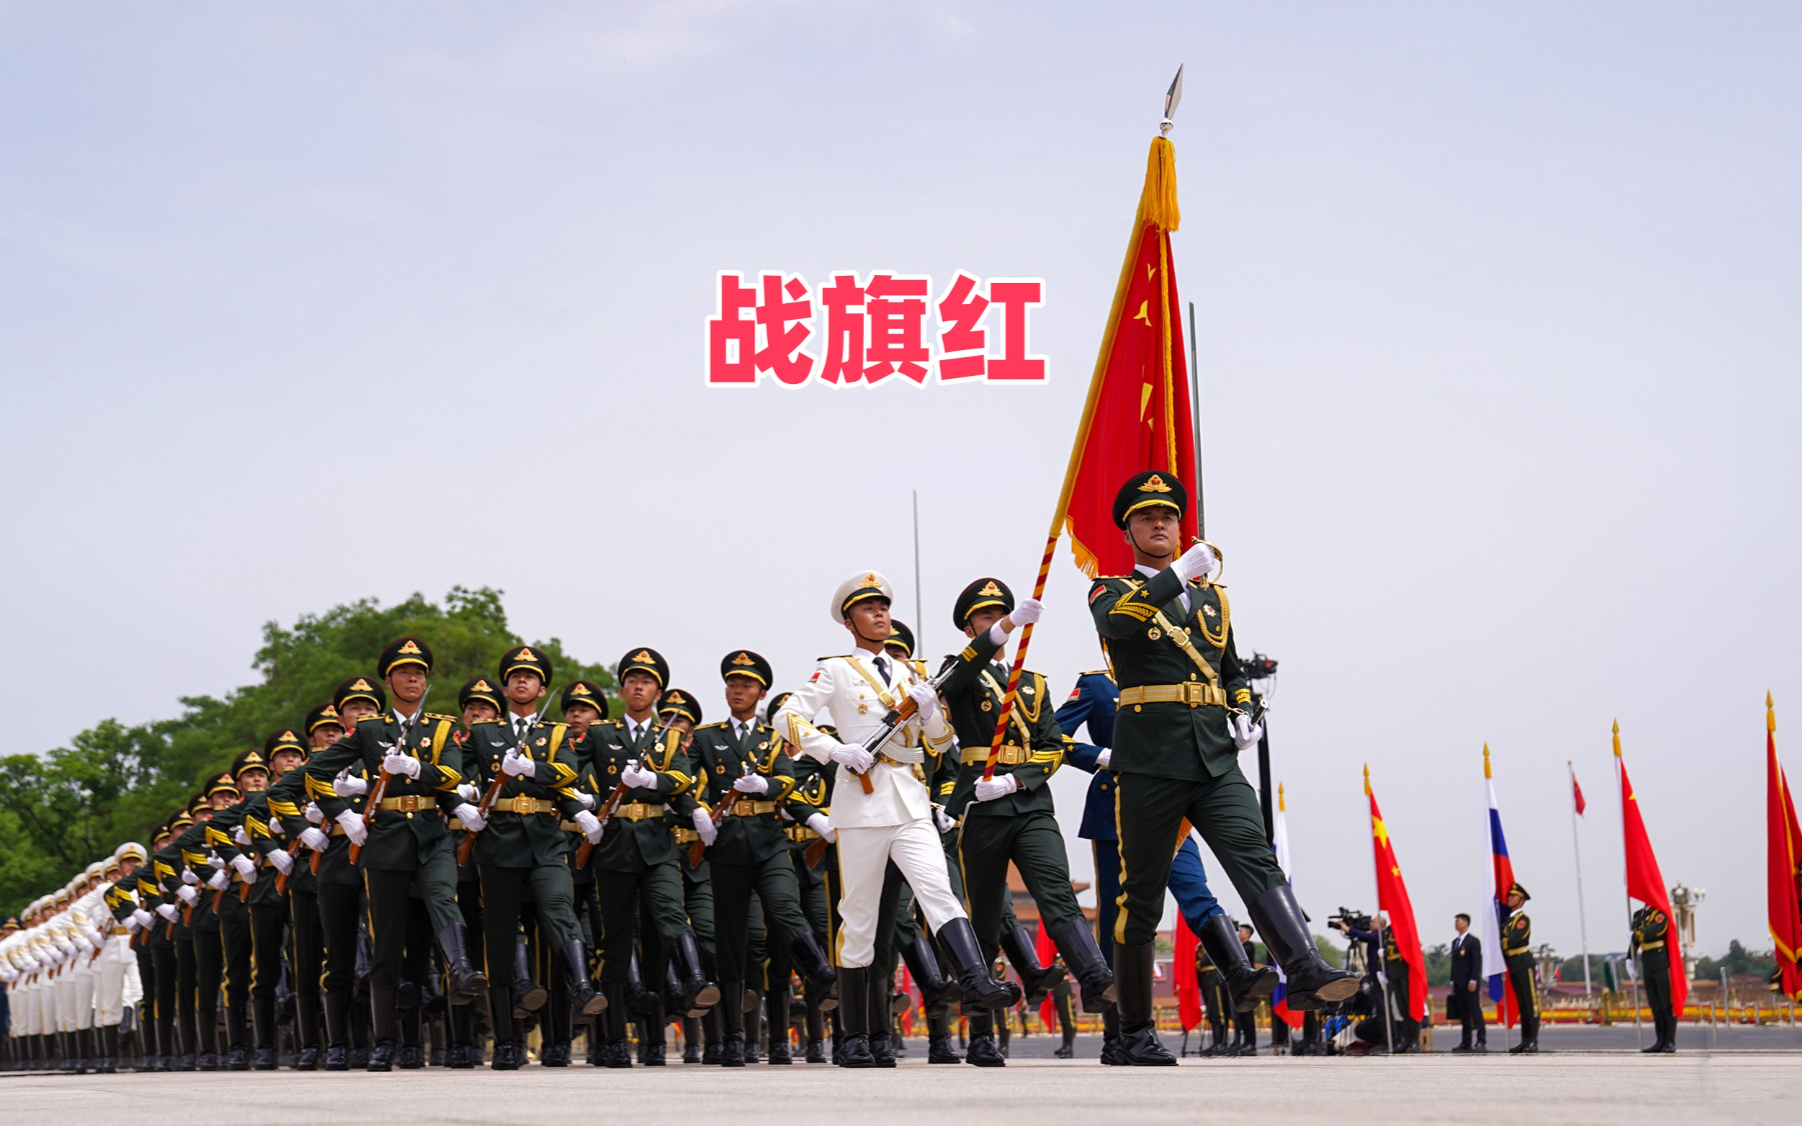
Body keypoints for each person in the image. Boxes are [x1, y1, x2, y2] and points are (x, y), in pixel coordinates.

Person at [1087, 472, 1355, 1064]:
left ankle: (1304, 969)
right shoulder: (1109, 590)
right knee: (1141, 897)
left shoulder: (1214, 599)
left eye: (1168, 516)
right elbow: (1119, 625)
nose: (1160, 524)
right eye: (1147, 518)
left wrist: (1243, 709)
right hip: (1150, 760)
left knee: (1254, 855)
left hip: (1213, 755)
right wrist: (1178, 574)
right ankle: (1132, 1032)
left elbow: (1230, 670)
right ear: (1128, 532)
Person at [771, 570, 1013, 1068]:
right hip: (860, 806)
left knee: (938, 891)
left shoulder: (911, 674)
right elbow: (786, 717)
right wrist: (834, 749)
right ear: (849, 622)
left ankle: (976, 981)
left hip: (909, 801)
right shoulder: (835, 670)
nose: (880, 614)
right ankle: (854, 1036)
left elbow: (940, 743)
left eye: (883, 606)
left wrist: (929, 710)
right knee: (859, 917)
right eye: (868, 608)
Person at [1059, 665, 1278, 1064]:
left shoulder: (1176, 675)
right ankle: (1119, 1034)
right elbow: (1053, 737)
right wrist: (1101, 756)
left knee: (1197, 891)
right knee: (1118, 918)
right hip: (1118, 807)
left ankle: (1239, 974)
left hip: (1174, 804)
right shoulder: (1095, 684)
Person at [937, 576, 1113, 1066]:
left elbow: (1053, 745)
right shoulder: (957, 668)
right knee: (984, 918)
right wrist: (1001, 631)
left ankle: (1095, 978)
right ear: (970, 627)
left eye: (1003, 615)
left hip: (1029, 800)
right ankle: (981, 1035)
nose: (998, 622)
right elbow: (954, 682)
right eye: (987, 617)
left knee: (1056, 890)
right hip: (980, 804)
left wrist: (1017, 780)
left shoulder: (1033, 683)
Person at [302, 636, 488, 1070]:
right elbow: (315, 773)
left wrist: (415, 767)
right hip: (385, 839)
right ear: (389, 681)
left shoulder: (441, 728)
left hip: (431, 834)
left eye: (419, 673)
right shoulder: (369, 730)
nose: (413, 679)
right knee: (387, 941)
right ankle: (386, 1040)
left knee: (442, 895)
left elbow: (451, 775)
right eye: (405, 673)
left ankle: (461, 968)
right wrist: (341, 813)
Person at [687, 650, 838, 1066]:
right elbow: (684, 777)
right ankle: (734, 1036)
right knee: (732, 940)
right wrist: (696, 811)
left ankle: (821, 972)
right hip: (727, 847)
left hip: (769, 843)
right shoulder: (706, 737)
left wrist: (767, 786)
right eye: (733, 684)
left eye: (747, 686)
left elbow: (787, 781)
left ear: (761, 693)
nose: (739, 691)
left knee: (785, 906)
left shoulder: (772, 738)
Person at [462, 645, 603, 1070]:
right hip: (498, 843)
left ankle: (582, 985)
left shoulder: (555, 734)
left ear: (542, 690)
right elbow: (458, 773)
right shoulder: (482, 734)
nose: (522, 681)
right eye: (515, 676)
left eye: (531, 677)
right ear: (506, 688)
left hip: (545, 840)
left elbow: (567, 772)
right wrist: (466, 795)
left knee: (559, 908)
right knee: (501, 940)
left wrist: (530, 769)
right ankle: (507, 1040)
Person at [576, 648, 717, 1067]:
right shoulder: (600, 733)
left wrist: (654, 780)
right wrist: (583, 803)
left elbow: (682, 777)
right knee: (617, 941)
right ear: (622, 689)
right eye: (633, 681)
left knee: (670, 918)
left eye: (648, 682)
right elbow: (569, 766)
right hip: (615, 844)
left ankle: (692, 983)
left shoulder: (670, 737)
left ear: (658, 693)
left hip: (657, 843)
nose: (639, 687)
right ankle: (614, 1039)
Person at [1632, 904, 1676, 1054]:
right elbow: (1635, 941)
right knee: (1655, 1004)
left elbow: (1651, 932)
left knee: (1667, 1004)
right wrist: (1629, 959)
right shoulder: (1639, 915)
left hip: (1661, 962)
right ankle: (1660, 1041)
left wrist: (1635, 935)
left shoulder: (1660, 914)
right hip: (1647, 961)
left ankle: (1670, 1041)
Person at [1500, 882, 1538, 1054]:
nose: (1509, 898)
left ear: (1521, 900)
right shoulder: (1508, 921)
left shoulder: (1523, 920)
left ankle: (1533, 1041)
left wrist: (1502, 943)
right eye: (1509, 895)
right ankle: (1525, 1040)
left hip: (1523, 962)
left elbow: (1513, 940)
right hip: (1513, 964)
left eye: (1513, 896)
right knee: (1522, 1004)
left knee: (1531, 1004)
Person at [1448, 912, 1486, 1052]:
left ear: (1466, 923)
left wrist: (1473, 979)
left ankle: (1481, 1041)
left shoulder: (1473, 941)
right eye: (1456, 921)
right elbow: (1454, 963)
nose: (1456, 923)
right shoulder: (1455, 942)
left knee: (1474, 1012)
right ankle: (1466, 1042)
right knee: (1463, 1014)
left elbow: (1476, 963)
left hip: (1469, 983)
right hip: (1458, 983)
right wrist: (1452, 979)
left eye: (1458, 921)